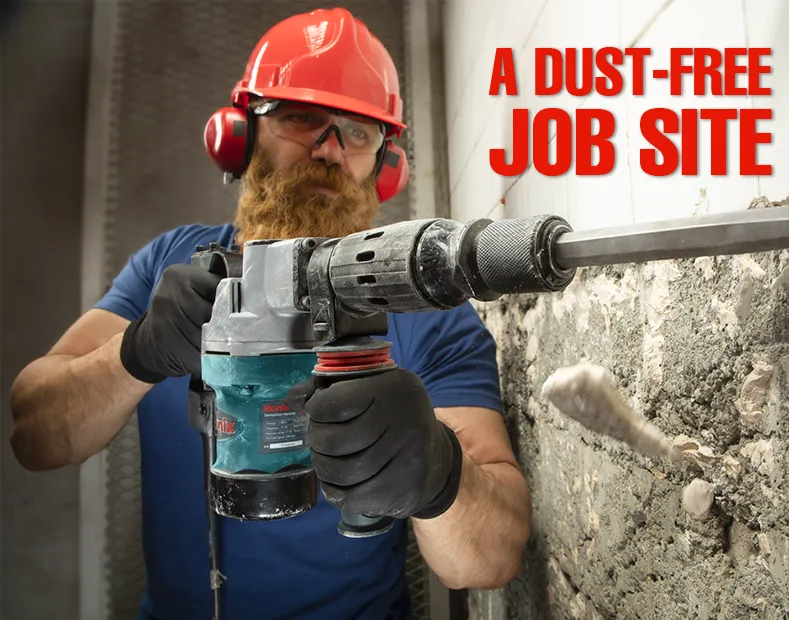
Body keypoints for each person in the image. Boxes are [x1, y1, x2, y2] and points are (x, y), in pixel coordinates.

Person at [9, 8, 531, 620]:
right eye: (302, 118)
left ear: (385, 166)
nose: (329, 150)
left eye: (358, 132)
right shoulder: (167, 267)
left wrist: (439, 471)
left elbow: (490, 558)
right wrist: (137, 351)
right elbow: (33, 433)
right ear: (240, 135)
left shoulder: (423, 308)